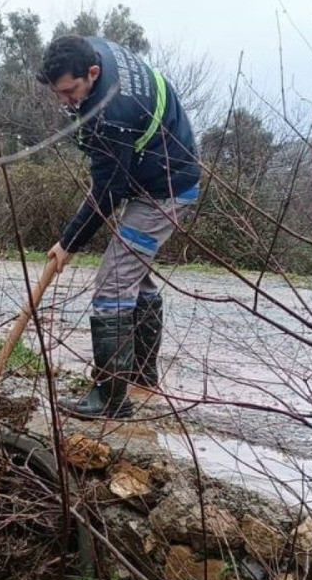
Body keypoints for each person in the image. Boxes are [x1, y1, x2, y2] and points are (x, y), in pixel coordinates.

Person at [37, 34, 202, 420]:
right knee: (131, 275)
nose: (65, 101)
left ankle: (111, 399)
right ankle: (141, 373)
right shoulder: (90, 48)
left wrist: (68, 243)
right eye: (58, 93)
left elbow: (107, 194)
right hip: (158, 168)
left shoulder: (111, 117)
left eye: (71, 92)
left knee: (113, 283)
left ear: (93, 72)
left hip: (166, 190)